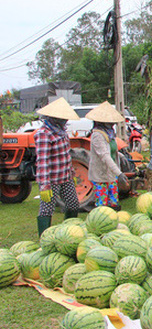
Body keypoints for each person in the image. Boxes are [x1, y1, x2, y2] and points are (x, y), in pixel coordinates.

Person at [34, 98, 80, 236]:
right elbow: (42, 161)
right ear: (54, 118)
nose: (65, 121)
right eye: (62, 118)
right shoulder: (44, 133)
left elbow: (66, 156)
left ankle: (69, 234)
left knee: (73, 204)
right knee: (47, 209)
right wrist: (44, 185)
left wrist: (72, 173)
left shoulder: (62, 132)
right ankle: (44, 238)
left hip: (66, 177)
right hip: (51, 180)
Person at [85, 102, 129, 210]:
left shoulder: (110, 134)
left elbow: (110, 150)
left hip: (110, 174)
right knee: (103, 206)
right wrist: (119, 174)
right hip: (100, 175)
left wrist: (121, 155)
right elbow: (105, 156)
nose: (113, 124)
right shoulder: (97, 136)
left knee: (114, 203)